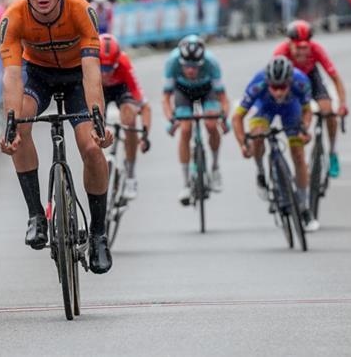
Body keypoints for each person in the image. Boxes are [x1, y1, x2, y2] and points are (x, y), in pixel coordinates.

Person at [0, 0, 114, 274]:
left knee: (91, 146)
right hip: (39, 78)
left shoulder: (80, 10)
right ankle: (36, 214)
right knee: (20, 129)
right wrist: (10, 125)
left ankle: (98, 233)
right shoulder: (14, 17)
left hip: (77, 77)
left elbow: (92, 71)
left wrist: (97, 119)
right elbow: (11, 75)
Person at [232, 56, 319, 232]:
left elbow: (307, 111)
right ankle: (261, 172)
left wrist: (305, 130)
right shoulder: (258, 83)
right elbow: (237, 117)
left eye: (282, 88)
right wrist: (243, 143)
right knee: (257, 136)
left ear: (289, 82)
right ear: (268, 83)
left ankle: (303, 207)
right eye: (274, 88)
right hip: (265, 109)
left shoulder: (301, 81)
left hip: (290, 110)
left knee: (298, 154)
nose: (278, 92)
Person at [273, 20, 348, 178]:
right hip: (291, 82)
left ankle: (333, 152)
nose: (302, 53)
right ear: (290, 43)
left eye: (305, 47)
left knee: (328, 111)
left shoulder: (316, 50)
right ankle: (302, 161)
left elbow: (335, 78)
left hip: (311, 77)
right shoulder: (280, 53)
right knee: (297, 121)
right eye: (298, 48)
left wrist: (342, 104)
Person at [163, 34, 230, 202]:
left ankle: (214, 168)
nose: (191, 70)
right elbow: (166, 97)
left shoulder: (212, 63)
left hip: (207, 91)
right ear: (181, 61)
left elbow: (222, 96)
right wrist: (171, 118)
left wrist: (223, 117)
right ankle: (186, 184)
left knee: (211, 124)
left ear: (202, 62)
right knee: (185, 130)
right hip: (183, 92)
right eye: (186, 66)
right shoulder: (172, 62)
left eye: (195, 67)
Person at [98, 33, 151, 200]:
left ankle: (130, 175)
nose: (106, 74)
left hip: (122, 88)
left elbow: (144, 105)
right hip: (99, 89)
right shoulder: (89, 61)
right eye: (102, 68)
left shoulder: (124, 63)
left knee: (129, 117)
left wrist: (145, 135)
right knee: (93, 121)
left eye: (110, 68)